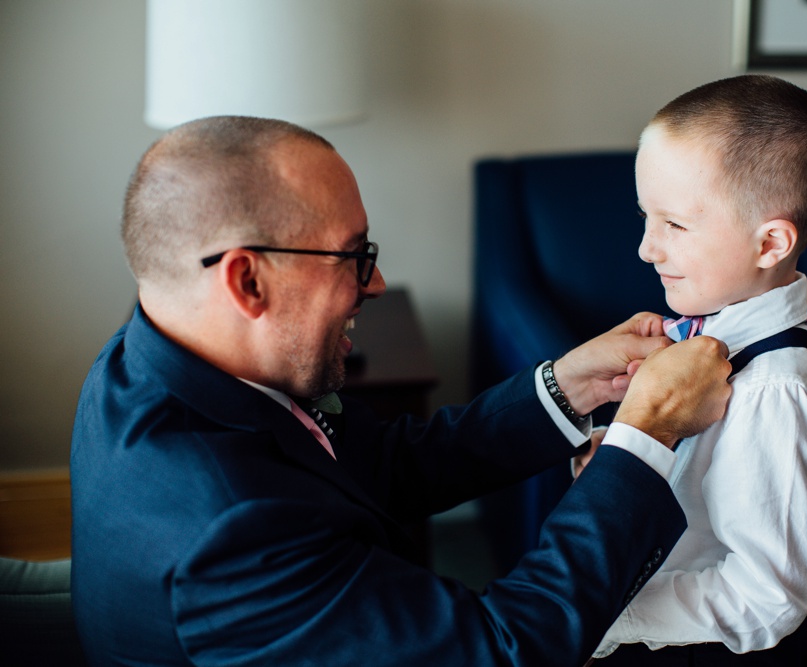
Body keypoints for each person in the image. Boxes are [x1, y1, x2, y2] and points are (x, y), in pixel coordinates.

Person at [69, 116, 733, 667]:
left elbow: (384, 463)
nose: (376, 281)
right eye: (352, 254)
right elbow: (504, 652)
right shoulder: (227, 532)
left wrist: (571, 384)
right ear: (248, 283)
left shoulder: (149, 362)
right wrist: (645, 434)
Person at [589, 75, 807, 664]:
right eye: (645, 217)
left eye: (674, 225)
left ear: (769, 244)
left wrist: (603, 619)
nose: (646, 248)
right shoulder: (703, 336)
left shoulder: (775, 392)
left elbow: (767, 596)